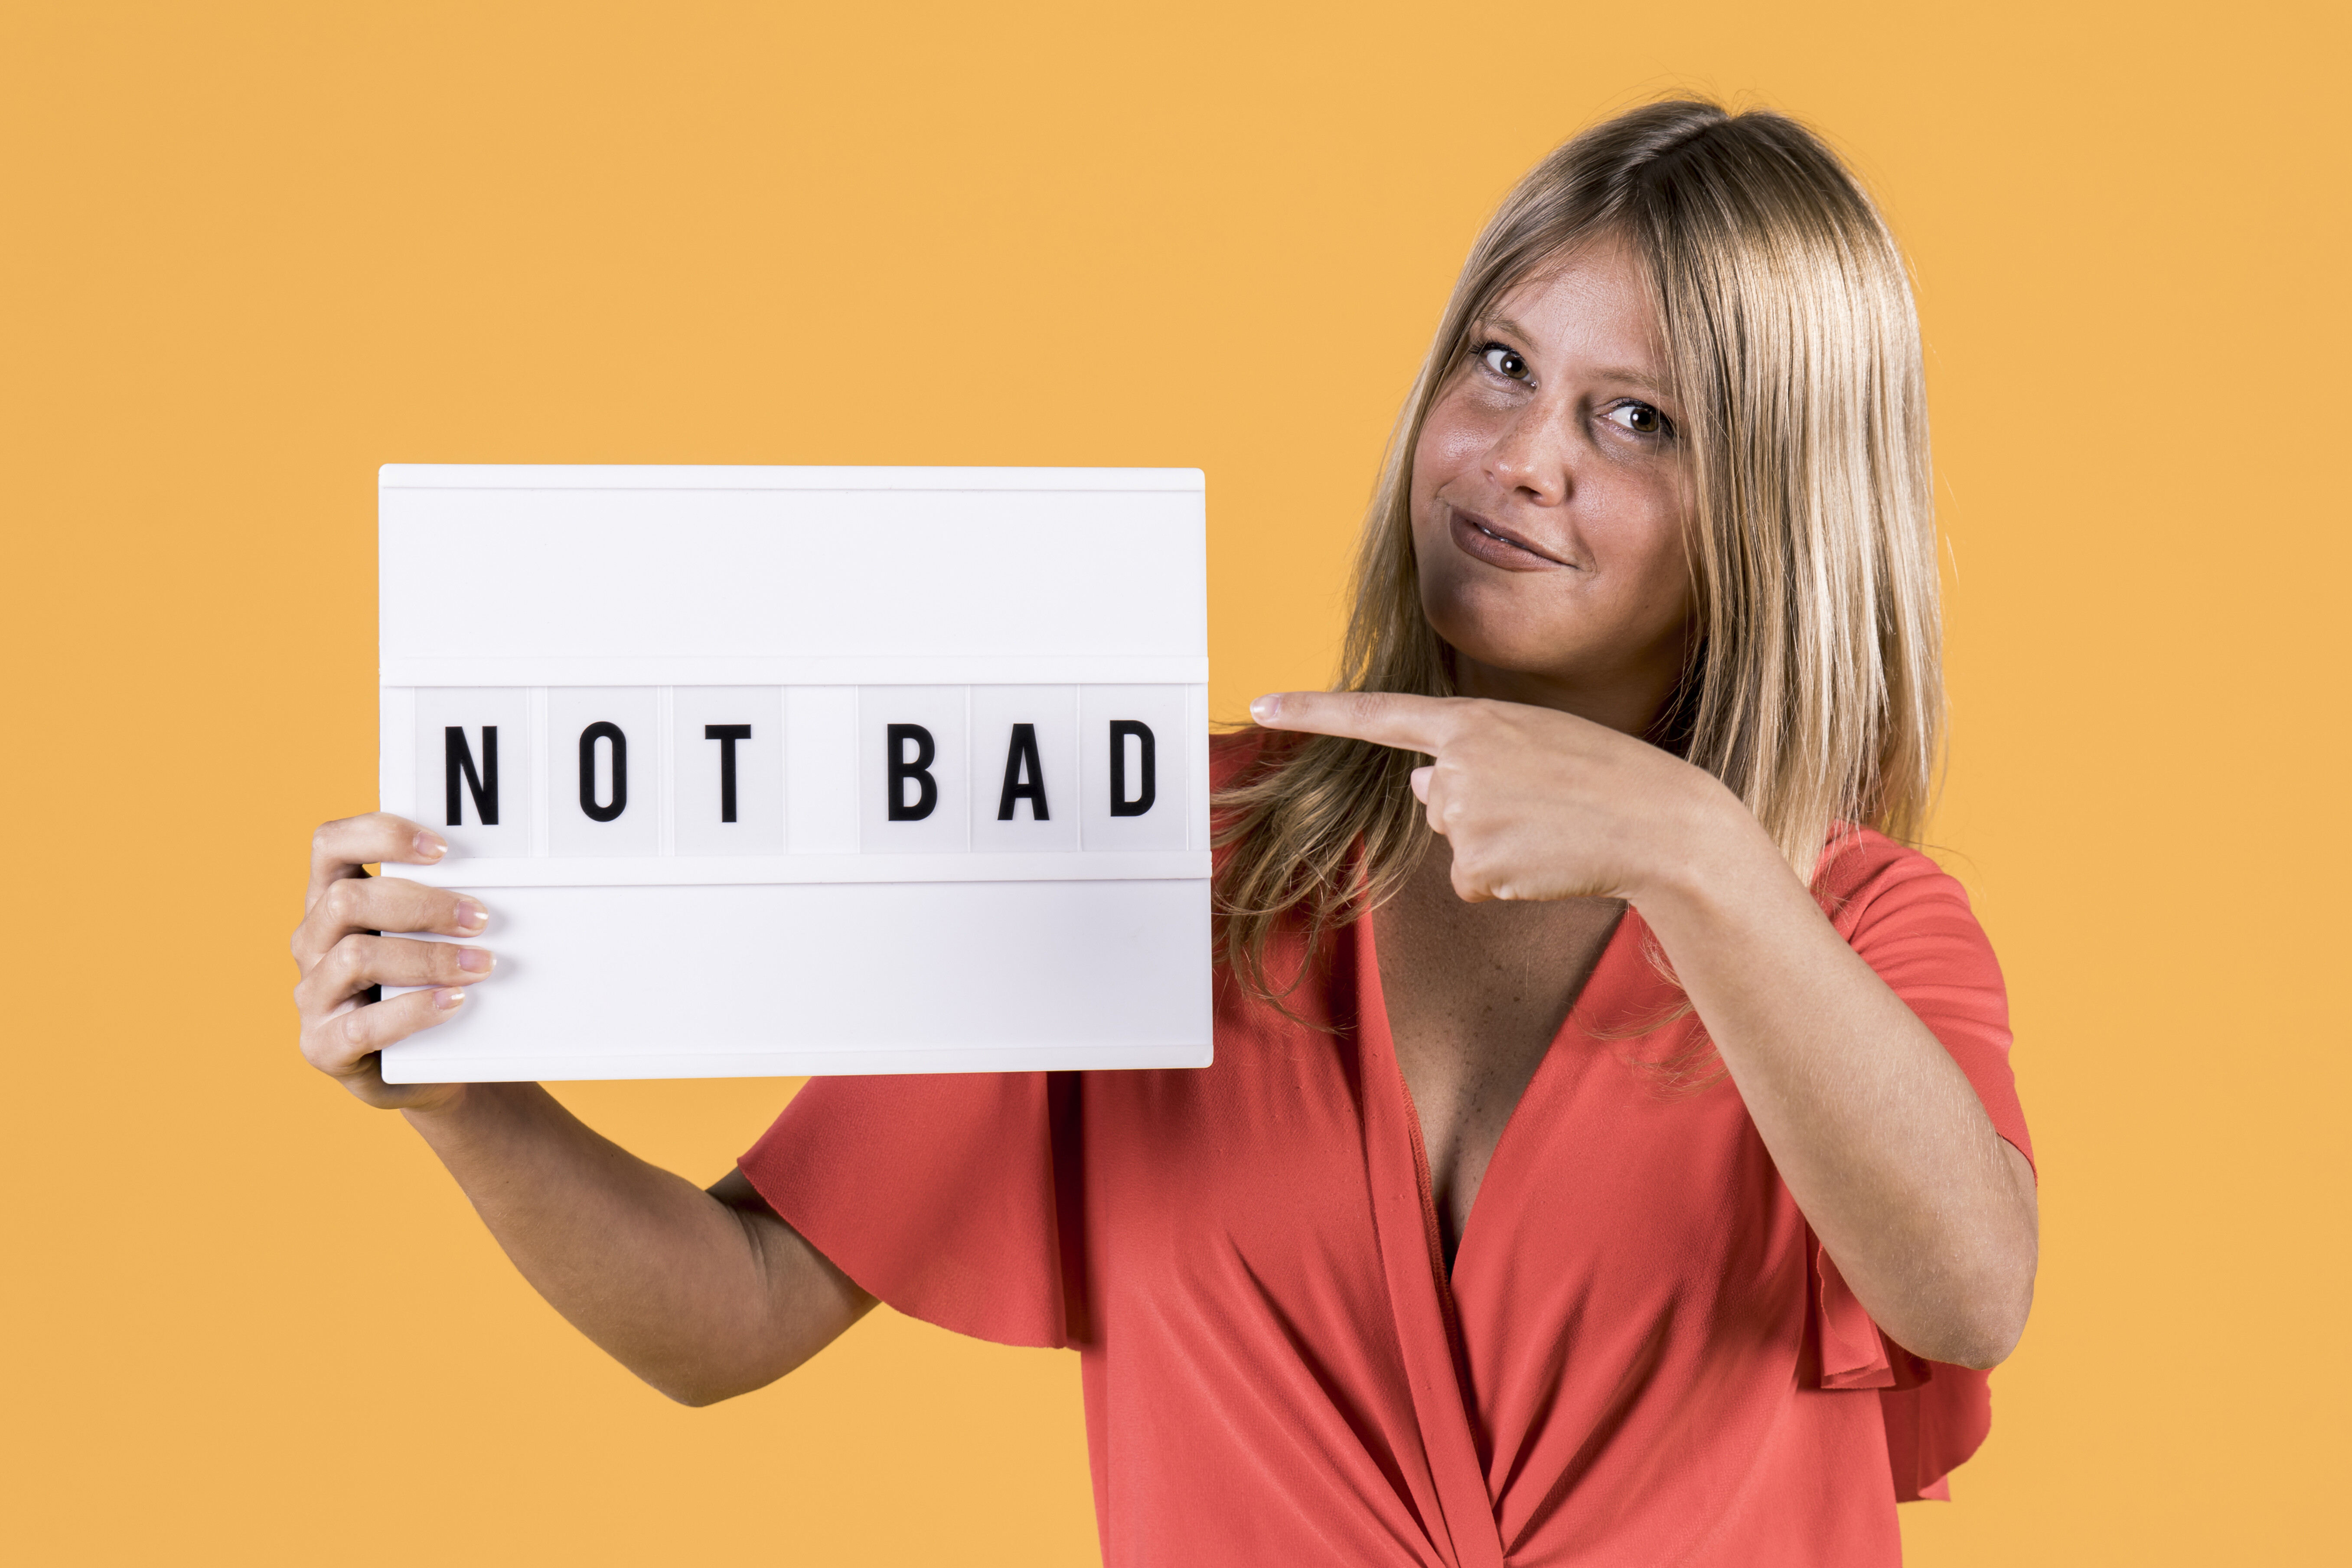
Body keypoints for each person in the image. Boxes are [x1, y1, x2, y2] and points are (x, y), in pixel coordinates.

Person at [292, 98, 2036, 1565]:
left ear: (1776, 507)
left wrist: (1696, 855)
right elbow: (736, 1303)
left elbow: (1967, 1292)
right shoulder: (1163, 841)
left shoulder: (1849, 923)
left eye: (1633, 417)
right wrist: (469, 1095)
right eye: (1496, 364)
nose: (1519, 455)